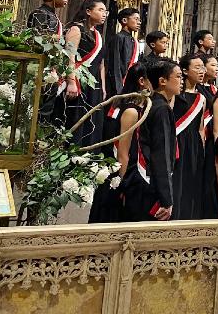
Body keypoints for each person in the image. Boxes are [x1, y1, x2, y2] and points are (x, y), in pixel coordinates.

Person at [89, 62, 149, 224]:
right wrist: (123, 184)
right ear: (142, 81)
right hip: (119, 173)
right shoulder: (131, 110)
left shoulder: (134, 105)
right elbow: (122, 152)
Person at [123, 60, 181, 221]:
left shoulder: (152, 103)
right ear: (162, 81)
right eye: (178, 76)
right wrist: (166, 199)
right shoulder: (161, 109)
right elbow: (161, 154)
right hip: (149, 183)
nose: (181, 81)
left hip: (142, 180)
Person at [64, 0, 108, 148]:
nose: (104, 14)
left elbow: (101, 63)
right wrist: (71, 82)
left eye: (105, 11)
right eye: (100, 10)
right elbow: (69, 57)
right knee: (77, 119)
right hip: (78, 81)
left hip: (94, 84)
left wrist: (102, 87)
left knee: (92, 122)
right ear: (88, 11)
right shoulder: (76, 29)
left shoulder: (98, 35)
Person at [173, 54, 208, 220]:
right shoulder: (175, 95)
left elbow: (201, 127)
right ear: (185, 71)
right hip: (177, 142)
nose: (202, 71)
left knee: (191, 184)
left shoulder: (201, 97)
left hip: (194, 144)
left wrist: (201, 148)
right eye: (197, 68)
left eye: (203, 67)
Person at [105, 7, 141, 97]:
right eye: (136, 19)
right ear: (124, 20)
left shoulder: (134, 41)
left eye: (139, 20)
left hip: (130, 84)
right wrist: (119, 88)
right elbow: (115, 65)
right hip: (118, 86)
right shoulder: (118, 37)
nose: (139, 22)